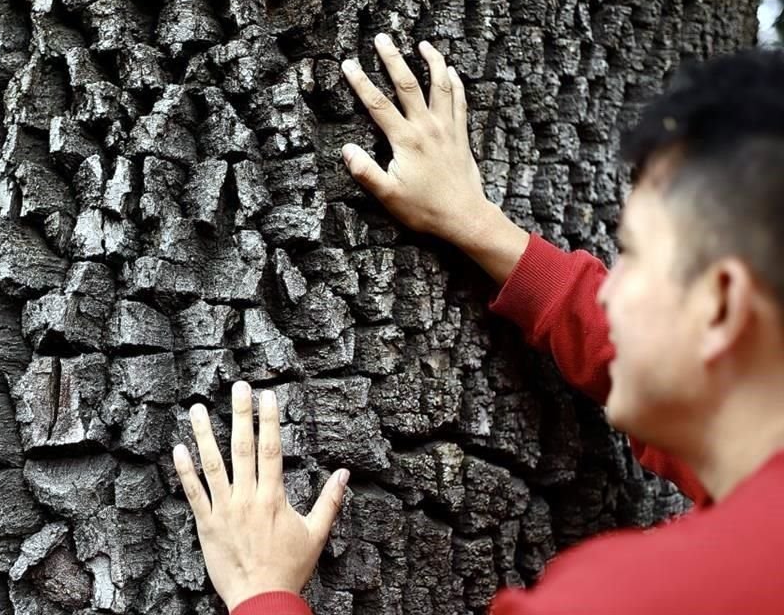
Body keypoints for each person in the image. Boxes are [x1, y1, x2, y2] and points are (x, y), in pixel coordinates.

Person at [172, 36, 784, 614]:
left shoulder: (628, 599)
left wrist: (263, 592)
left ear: (723, 306)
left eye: (636, 257)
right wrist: (478, 225)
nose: (612, 292)